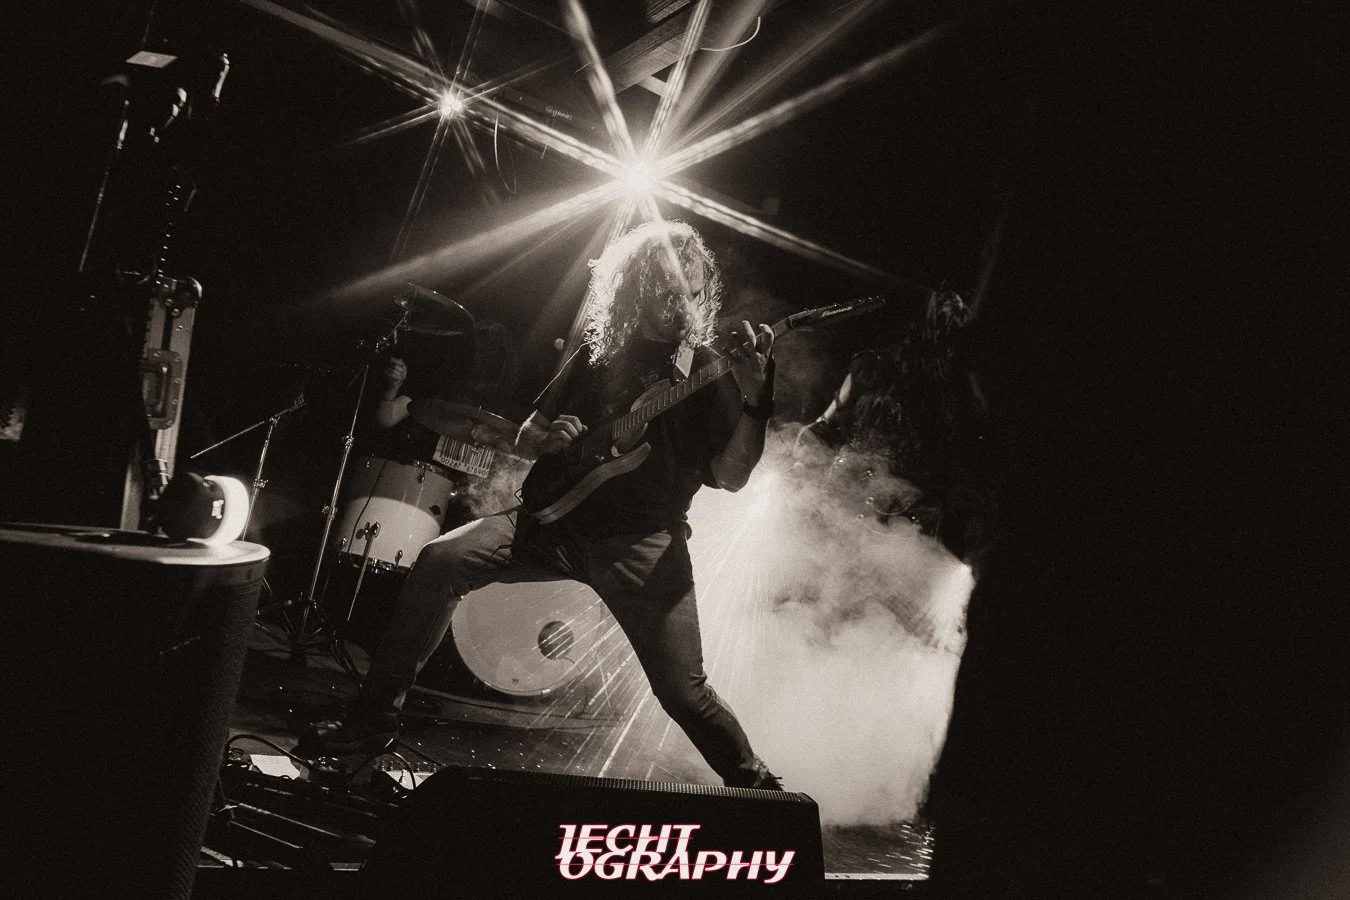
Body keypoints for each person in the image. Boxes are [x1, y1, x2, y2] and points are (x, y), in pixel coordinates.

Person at [300, 221, 784, 790]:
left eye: (693, 292)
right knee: (440, 560)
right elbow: (530, 429)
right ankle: (372, 721)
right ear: (638, 288)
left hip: (640, 544)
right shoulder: (598, 353)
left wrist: (757, 402)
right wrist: (546, 436)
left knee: (684, 692)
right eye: (669, 290)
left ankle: (759, 787)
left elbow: (732, 477)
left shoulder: (705, 372)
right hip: (549, 521)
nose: (683, 305)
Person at [794, 289, 998, 576]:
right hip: (883, 527)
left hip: (861, 514)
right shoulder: (960, 402)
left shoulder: (873, 369)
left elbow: (821, 429)